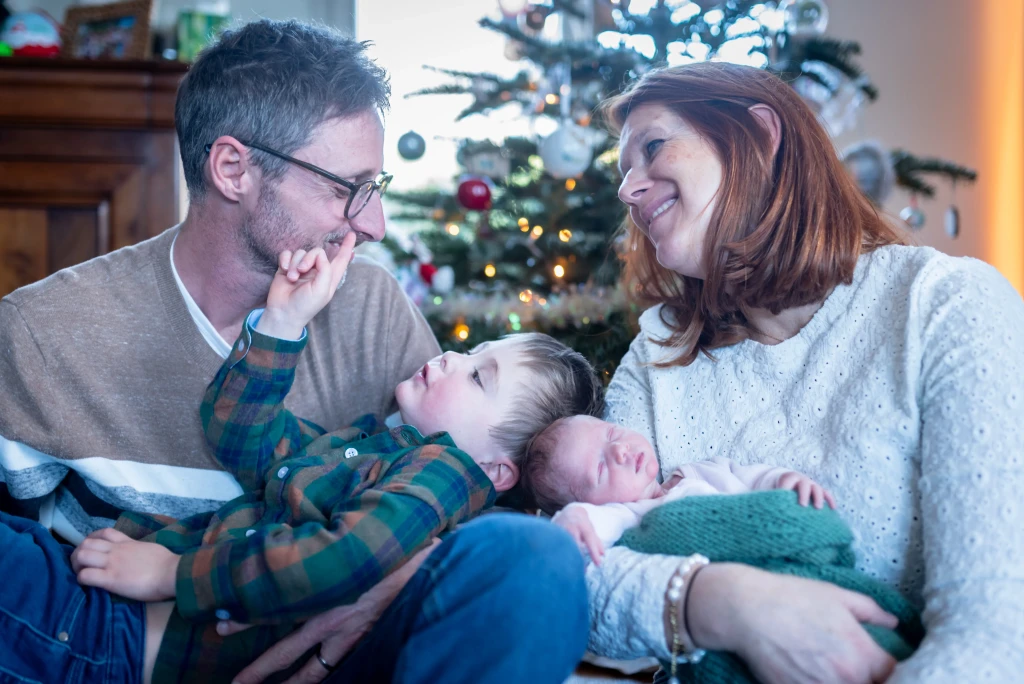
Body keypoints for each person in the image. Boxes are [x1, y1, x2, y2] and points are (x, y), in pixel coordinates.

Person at [0, 19, 592, 683]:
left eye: (377, 187)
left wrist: (384, 584)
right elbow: (247, 438)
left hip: (334, 662)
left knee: (536, 560)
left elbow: (483, 501)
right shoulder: (43, 329)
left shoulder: (372, 309)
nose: (375, 224)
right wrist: (279, 330)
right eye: (347, 188)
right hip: (108, 638)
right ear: (233, 170)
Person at [583, 61, 1024, 684]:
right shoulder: (659, 352)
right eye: (623, 172)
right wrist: (723, 604)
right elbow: (573, 572)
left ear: (760, 135)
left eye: (653, 147)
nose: (628, 190)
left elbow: (995, 634)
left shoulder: (946, 304)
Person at [0, 240, 602, 683]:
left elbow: (342, 558)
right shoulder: (372, 447)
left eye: (478, 377)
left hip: (114, 640)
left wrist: (171, 574)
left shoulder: (443, 475)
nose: (451, 357)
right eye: (471, 351)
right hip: (99, 609)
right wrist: (282, 325)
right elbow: (245, 440)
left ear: (497, 472)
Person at [520, 414, 834, 563]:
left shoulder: (702, 471)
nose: (619, 450)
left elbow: (753, 479)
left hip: (785, 540)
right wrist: (574, 518)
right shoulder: (633, 517)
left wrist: (784, 480)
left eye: (612, 433)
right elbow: (593, 525)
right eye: (601, 467)